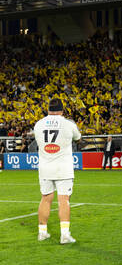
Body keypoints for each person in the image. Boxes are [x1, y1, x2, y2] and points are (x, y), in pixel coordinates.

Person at [34, 98, 81, 244]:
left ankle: (42, 232)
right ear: (62, 110)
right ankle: (65, 235)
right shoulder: (68, 124)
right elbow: (78, 138)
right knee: (63, 200)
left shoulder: (38, 124)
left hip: (45, 167)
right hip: (63, 167)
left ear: (48, 109)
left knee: (45, 198)